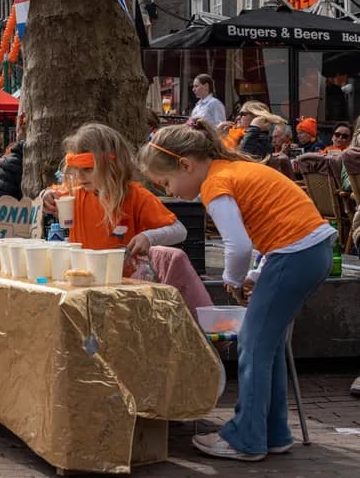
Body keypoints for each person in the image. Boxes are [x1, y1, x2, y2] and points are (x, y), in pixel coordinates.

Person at [139, 118, 336, 462]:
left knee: (253, 344)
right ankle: (273, 432)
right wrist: (257, 274)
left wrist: (232, 278)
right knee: (267, 344)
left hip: (293, 255)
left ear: (185, 164)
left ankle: (246, 438)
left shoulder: (216, 184)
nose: (169, 192)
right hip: (308, 252)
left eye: (166, 182)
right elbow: (273, 226)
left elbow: (239, 246)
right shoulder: (233, 170)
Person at [40, 123, 187, 254]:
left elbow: (179, 230)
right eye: (76, 169)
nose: (79, 176)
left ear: (113, 167)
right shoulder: (75, 192)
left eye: (88, 169)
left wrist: (148, 237)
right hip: (82, 272)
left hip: (123, 274)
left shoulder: (136, 196)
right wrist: (46, 196)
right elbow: (47, 195)